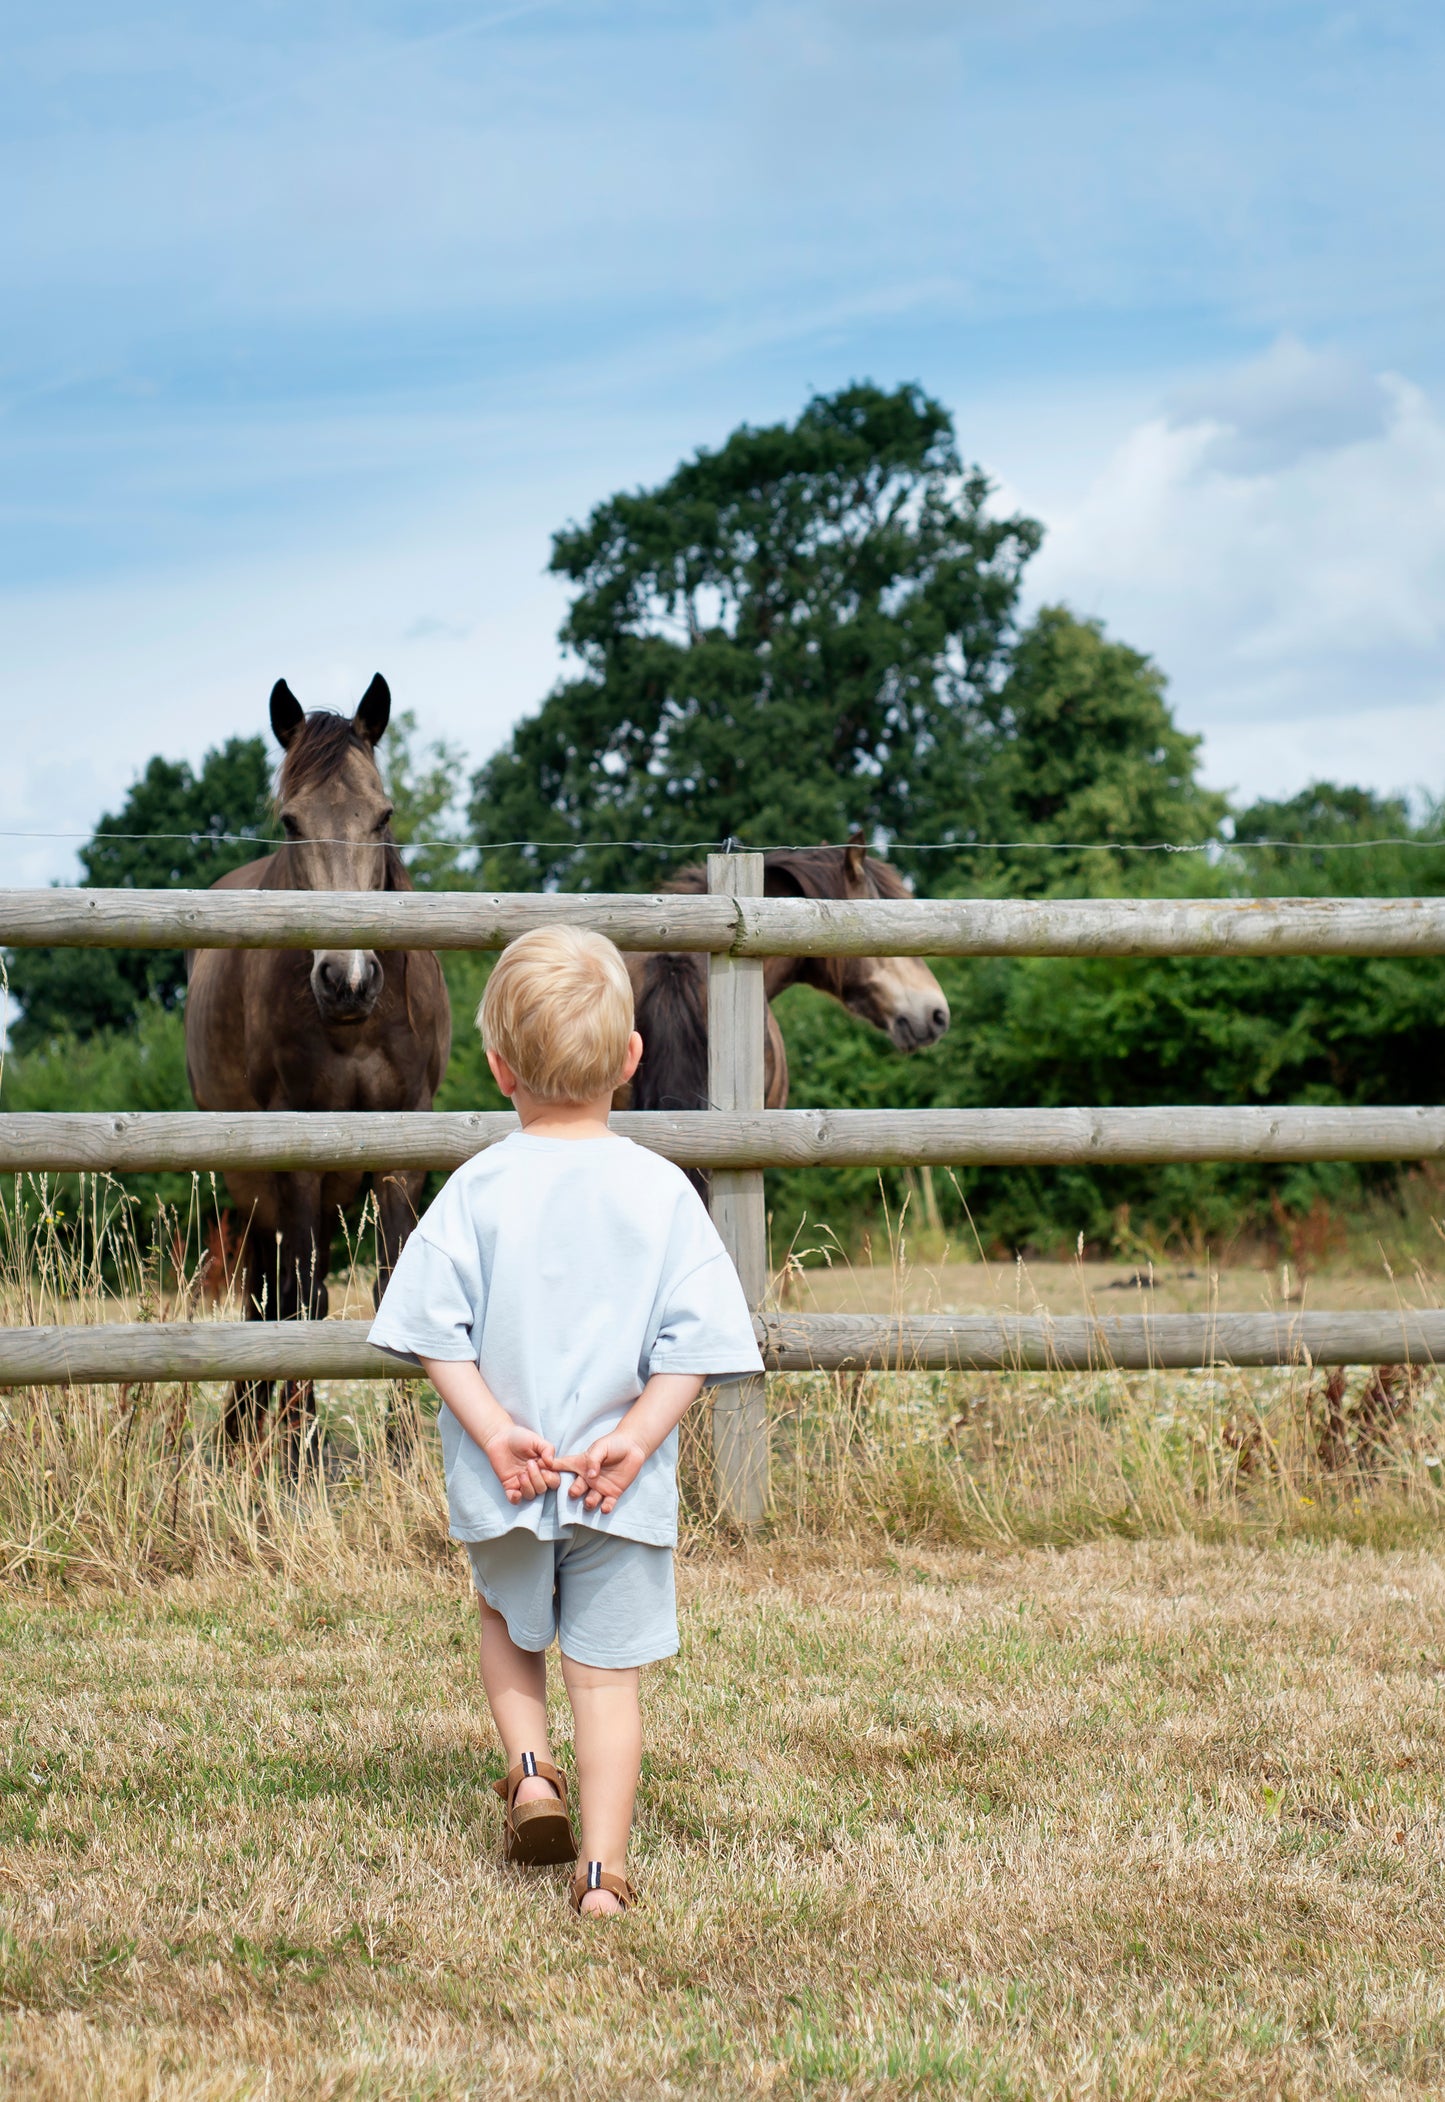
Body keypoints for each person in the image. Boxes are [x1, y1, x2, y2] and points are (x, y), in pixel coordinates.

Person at [368, 925, 763, 1917]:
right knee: (606, 1675)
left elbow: (428, 1328)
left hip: (513, 1476)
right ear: (630, 1061)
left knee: (506, 1619)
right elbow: (698, 1338)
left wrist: (497, 1427)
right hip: (611, 1478)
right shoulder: (659, 1192)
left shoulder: (475, 1191)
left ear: (497, 1066)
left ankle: (531, 1770)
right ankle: (602, 1872)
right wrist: (637, 1433)